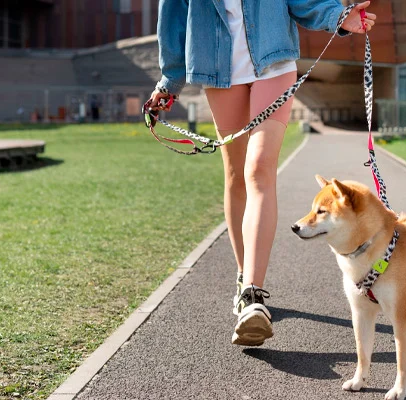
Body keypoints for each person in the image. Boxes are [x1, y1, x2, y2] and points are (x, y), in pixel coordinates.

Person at [146, 0, 376, 346]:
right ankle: (244, 275)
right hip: (218, 64)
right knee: (236, 174)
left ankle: (253, 295)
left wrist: (338, 17)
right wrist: (170, 80)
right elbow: (175, 12)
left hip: (273, 58)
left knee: (258, 169)